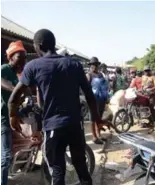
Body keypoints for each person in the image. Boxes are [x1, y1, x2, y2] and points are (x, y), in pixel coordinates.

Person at [8, 29, 101, 185]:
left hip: (53, 128)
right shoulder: (74, 64)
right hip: (75, 126)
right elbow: (90, 96)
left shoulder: (33, 66)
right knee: (82, 168)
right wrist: (97, 119)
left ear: (40, 45)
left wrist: (13, 115)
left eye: (35, 46)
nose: (35, 49)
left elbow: (14, 98)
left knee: (57, 172)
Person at [1, 41, 26, 185]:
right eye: (19, 58)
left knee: (20, 146)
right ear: (10, 57)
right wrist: (14, 89)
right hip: (3, 118)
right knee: (5, 156)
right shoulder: (4, 69)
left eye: (24, 58)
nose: (22, 61)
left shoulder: (17, 75)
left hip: (13, 117)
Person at [87, 57, 109, 144]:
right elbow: (86, 89)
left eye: (96, 64)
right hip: (93, 100)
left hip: (101, 100)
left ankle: (99, 135)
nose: (95, 66)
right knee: (92, 119)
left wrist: (106, 97)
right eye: (93, 65)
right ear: (90, 66)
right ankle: (94, 137)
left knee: (99, 118)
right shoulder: (89, 75)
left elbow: (105, 87)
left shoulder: (100, 75)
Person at [142, 65, 155, 130]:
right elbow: (142, 85)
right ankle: (148, 121)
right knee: (144, 108)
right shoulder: (143, 77)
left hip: (151, 95)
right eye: (145, 71)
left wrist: (151, 89)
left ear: (150, 71)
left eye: (148, 70)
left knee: (151, 108)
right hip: (144, 95)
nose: (147, 72)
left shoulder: (153, 77)